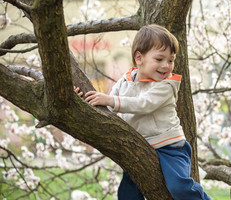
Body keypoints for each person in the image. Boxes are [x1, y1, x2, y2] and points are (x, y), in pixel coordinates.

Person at [75, 24, 211, 200]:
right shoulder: (125, 81)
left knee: (178, 187)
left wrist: (110, 100)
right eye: (160, 59)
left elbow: (143, 104)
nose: (166, 66)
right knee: (127, 194)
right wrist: (82, 100)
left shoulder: (166, 86)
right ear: (139, 58)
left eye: (171, 60)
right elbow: (106, 109)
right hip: (138, 147)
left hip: (169, 147)